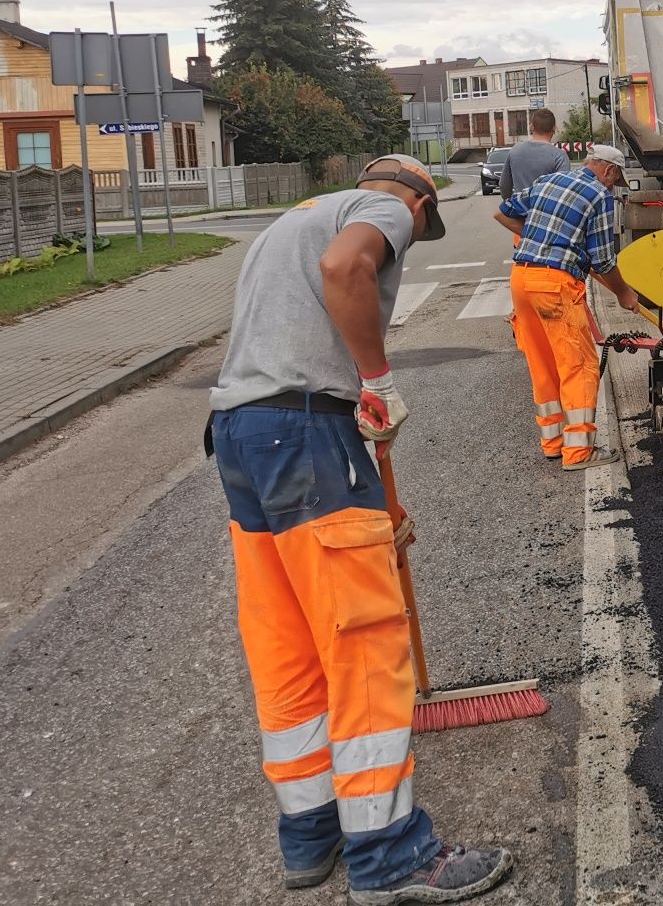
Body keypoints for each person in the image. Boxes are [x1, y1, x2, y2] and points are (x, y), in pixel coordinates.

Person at [208, 155, 513, 904]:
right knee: (364, 642)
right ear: (416, 201)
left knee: (288, 644)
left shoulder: (287, 221)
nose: (412, 235)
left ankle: (312, 834)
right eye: (422, 222)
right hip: (307, 432)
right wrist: (375, 379)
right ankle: (391, 857)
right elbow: (348, 270)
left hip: (241, 435)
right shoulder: (375, 211)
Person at [496, 143, 643, 468]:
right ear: (609, 170)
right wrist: (624, 294)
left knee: (543, 364)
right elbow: (603, 260)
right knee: (579, 366)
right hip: (554, 288)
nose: (611, 187)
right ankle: (578, 452)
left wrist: (543, 241)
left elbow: (502, 212)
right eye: (613, 180)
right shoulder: (599, 196)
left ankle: (553, 442)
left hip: (521, 279)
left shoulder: (549, 181)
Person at [498, 107, 569, 199]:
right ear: (554, 128)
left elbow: (504, 185)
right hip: (546, 211)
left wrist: (509, 204)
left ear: (531, 127)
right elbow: (563, 189)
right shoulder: (560, 156)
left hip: (519, 210)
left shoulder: (515, 151)